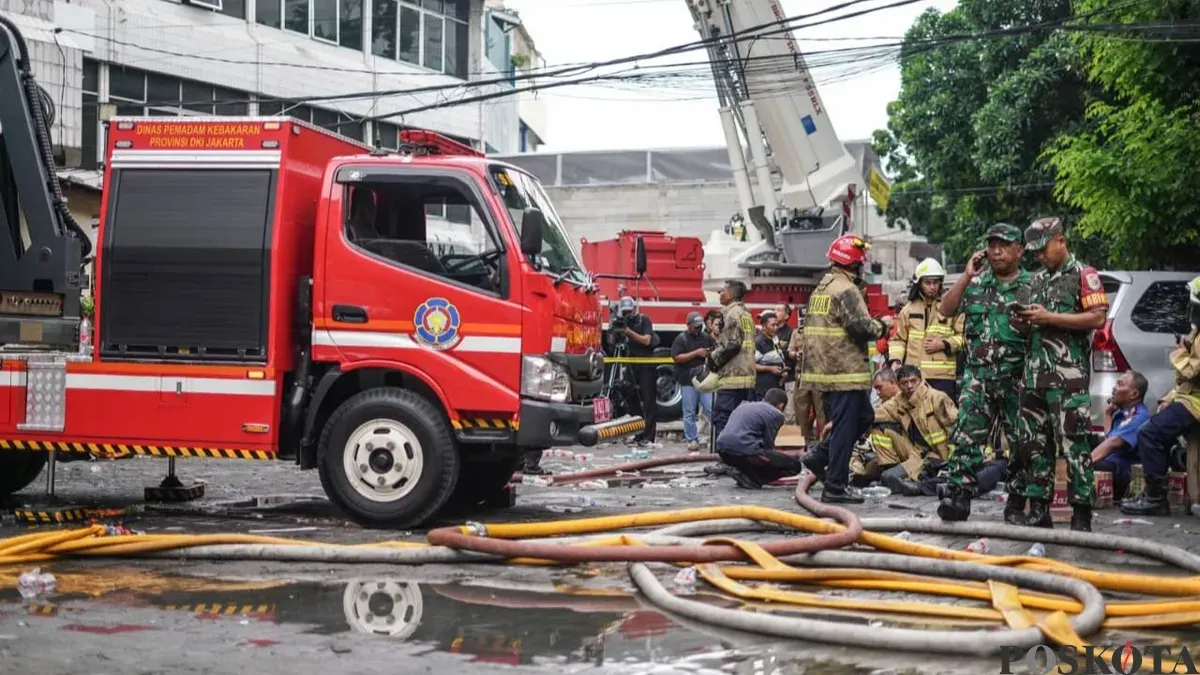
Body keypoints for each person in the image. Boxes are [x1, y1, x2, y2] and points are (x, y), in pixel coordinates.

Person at [1013, 217, 1108, 531]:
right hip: (1033, 376)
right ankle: (1039, 508)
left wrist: (1049, 317)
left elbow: (1097, 318)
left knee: (1074, 445)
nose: (1039, 256)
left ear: (1060, 241)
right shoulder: (1035, 281)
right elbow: (1026, 324)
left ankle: (1081, 513)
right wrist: (1021, 321)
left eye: (1043, 249)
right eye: (1035, 252)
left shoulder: (1084, 274)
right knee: (1033, 444)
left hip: (1068, 377)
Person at [937, 224, 1034, 524]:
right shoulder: (977, 283)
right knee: (966, 437)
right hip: (978, 377)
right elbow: (945, 309)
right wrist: (966, 276)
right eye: (992, 245)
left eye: (1003, 245)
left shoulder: (1034, 285)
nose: (996, 251)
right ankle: (958, 498)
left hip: (1018, 378)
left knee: (1021, 442)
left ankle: (1016, 502)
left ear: (1019, 250)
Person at [798, 234, 892, 504]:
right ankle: (835, 486)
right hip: (844, 373)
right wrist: (883, 325)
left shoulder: (823, 287)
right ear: (854, 263)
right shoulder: (846, 289)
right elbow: (861, 328)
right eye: (861, 262)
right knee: (845, 427)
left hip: (829, 371)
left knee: (863, 417)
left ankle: (819, 457)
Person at [1121, 275, 1200, 516]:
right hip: (1190, 400)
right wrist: (1171, 397)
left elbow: (1191, 370)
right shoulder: (1197, 333)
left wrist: (1180, 352)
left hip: (1196, 404)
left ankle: (1155, 498)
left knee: (1149, 433)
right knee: (1159, 430)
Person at [853, 365, 956, 494]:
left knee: (939, 478)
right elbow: (873, 414)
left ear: (920, 380)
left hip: (942, 455)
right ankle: (903, 477)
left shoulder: (937, 398)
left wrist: (954, 460)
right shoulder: (899, 402)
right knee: (887, 475)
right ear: (899, 384)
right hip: (919, 455)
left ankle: (921, 481)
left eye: (913, 381)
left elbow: (956, 430)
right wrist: (839, 422)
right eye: (904, 383)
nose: (909, 386)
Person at [887, 258, 964, 400]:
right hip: (913, 377)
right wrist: (896, 360)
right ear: (919, 283)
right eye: (928, 283)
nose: (932, 287)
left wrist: (944, 344)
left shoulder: (952, 307)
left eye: (936, 282)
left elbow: (964, 337)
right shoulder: (908, 310)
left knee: (943, 413)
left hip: (943, 378)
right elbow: (898, 340)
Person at [715, 388, 803, 489]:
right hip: (746, 452)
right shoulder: (775, 414)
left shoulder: (743, 405)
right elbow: (768, 445)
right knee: (794, 466)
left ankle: (743, 473)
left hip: (723, 451)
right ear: (781, 405)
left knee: (758, 456)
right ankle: (754, 479)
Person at [705, 280, 757, 445]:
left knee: (723, 419)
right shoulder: (746, 314)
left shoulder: (731, 314)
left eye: (723, 291)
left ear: (731, 295)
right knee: (741, 423)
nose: (720, 293)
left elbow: (732, 344)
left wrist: (712, 359)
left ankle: (724, 456)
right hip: (746, 378)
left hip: (732, 379)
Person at [1091, 370, 1152, 502]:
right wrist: (1108, 414)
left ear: (1134, 394)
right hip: (1113, 463)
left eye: (1120, 384)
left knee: (1092, 466)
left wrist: (1084, 463)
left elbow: (1114, 442)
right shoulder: (1124, 413)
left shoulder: (1140, 416)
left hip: (1124, 472)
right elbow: (1109, 437)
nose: (1114, 388)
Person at [615, 296, 661, 449]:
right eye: (625, 312)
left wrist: (629, 333)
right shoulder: (623, 323)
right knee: (631, 397)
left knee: (648, 401)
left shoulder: (644, 320)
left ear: (634, 309)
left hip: (646, 364)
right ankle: (638, 432)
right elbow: (615, 343)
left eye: (629, 311)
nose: (627, 315)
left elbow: (647, 340)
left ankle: (649, 436)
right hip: (631, 363)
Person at [671, 311, 716, 451]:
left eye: (700, 326)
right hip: (688, 381)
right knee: (689, 412)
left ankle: (716, 437)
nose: (698, 329)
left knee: (712, 409)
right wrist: (696, 353)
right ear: (688, 325)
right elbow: (676, 357)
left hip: (705, 380)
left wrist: (709, 353)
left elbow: (715, 351)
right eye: (695, 326)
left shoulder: (707, 338)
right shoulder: (681, 339)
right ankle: (692, 439)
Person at [788, 308, 825, 442]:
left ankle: (824, 443)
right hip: (802, 376)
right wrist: (796, 354)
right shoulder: (796, 333)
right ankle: (803, 443)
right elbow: (790, 351)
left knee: (822, 413)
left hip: (819, 376)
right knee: (801, 413)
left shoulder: (823, 332)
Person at [774, 303, 798, 423]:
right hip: (773, 379)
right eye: (774, 310)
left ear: (787, 315)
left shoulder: (791, 333)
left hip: (789, 379)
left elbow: (793, 355)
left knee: (789, 414)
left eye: (779, 310)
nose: (775, 312)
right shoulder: (771, 334)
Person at [754, 311, 785, 399]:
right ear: (764, 326)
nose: (776, 328)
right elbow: (752, 365)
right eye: (772, 325)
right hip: (764, 389)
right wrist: (770, 368)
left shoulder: (775, 339)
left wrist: (784, 370)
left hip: (777, 386)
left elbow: (779, 357)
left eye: (777, 325)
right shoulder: (759, 342)